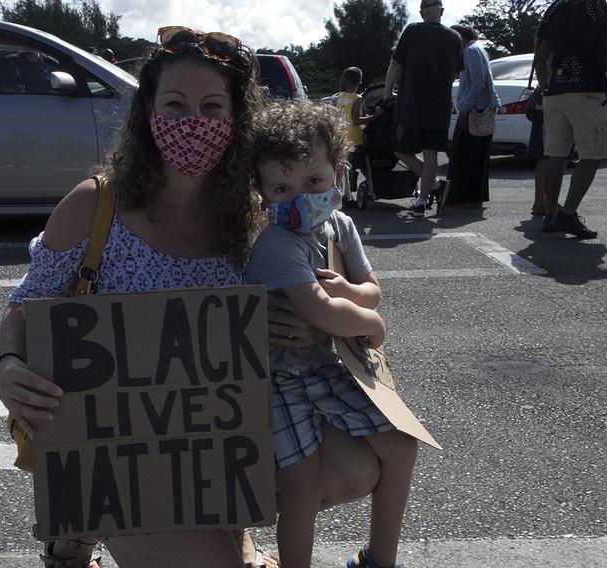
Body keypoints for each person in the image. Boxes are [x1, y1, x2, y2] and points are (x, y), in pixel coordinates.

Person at [0, 26, 381, 568]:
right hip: (125, 459)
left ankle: (228, 527)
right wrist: (8, 364)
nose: (191, 121)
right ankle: (83, 527)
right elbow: (28, 300)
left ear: (236, 118)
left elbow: (322, 293)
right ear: (146, 111)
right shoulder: (95, 205)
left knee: (355, 466)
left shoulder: (260, 210)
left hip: (223, 438)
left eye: (211, 106)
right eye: (174, 104)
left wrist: (316, 323)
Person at [245, 99, 419, 568]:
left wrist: (354, 296)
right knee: (301, 488)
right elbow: (320, 313)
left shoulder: (340, 225)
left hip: (331, 368)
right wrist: (371, 323)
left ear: (338, 174)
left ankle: (379, 558)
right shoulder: (277, 243)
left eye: (313, 181)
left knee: (402, 445)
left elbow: (371, 290)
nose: (300, 198)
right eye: (282, 187)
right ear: (260, 190)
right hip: (278, 382)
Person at [534, 0, 607, 238]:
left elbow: (540, 56)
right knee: (591, 155)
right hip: (588, 91)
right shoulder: (601, 8)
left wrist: (545, 89)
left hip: (555, 93)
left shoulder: (554, 8)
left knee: (555, 155)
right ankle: (568, 215)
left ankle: (551, 213)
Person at [382, 0, 462, 217]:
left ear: (422, 12)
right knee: (431, 154)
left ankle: (434, 186)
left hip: (412, 104)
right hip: (439, 106)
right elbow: (456, 74)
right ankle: (423, 199)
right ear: (442, 12)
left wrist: (388, 92)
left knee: (400, 149)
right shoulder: (455, 38)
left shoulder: (413, 30)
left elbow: (396, 63)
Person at [446, 25, 500, 209]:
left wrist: (464, 110)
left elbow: (478, 84)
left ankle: (463, 198)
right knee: (473, 156)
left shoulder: (471, 52)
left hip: (475, 111)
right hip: (478, 109)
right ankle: (470, 197)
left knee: (465, 156)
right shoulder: (475, 50)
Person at [334, 67, 383, 196]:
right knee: (359, 165)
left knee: (342, 167)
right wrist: (375, 116)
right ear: (360, 81)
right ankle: (358, 191)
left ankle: (341, 194)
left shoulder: (340, 97)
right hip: (355, 140)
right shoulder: (357, 99)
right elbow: (356, 121)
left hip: (342, 138)